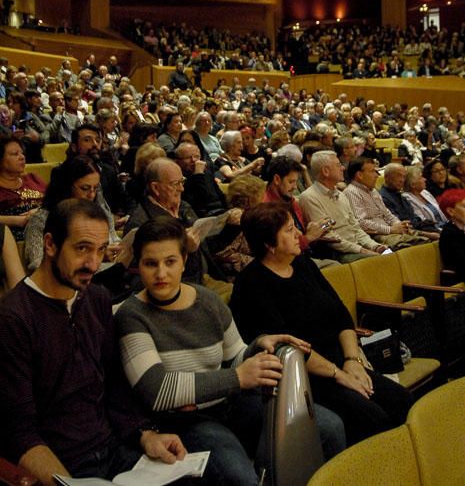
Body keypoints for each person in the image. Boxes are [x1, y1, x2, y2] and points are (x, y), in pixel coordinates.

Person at [115, 217, 335, 483]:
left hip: (230, 403)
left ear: (184, 260)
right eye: (151, 264)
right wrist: (238, 378)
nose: (161, 274)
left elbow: (235, 356)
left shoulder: (207, 300)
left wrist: (258, 345)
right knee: (240, 477)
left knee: (328, 428)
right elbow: (159, 390)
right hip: (184, 421)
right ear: (138, 266)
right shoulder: (132, 315)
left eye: (170, 262)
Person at [0, 199, 186, 486]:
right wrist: (64, 482)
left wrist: (145, 434)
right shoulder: (14, 318)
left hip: (114, 447)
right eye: (82, 248)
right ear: (50, 245)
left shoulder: (95, 298)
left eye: (100, 251)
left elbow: (113, 382)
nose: (93, 264)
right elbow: (18, 429)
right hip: (63, 464)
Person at [230, 201, 413, 446]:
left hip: (342, 361)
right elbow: (290, 348)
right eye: (288, 230)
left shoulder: (303, 264)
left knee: (403, 401)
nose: (298, 234)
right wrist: (339, 374)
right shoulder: (251, 285)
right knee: (373, 419)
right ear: (268, 244)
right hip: (304, 376)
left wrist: (352, 361)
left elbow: (340, 314)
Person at [24, 155, 126, 273]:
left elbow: (113, 239)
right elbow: (37, 265)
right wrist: (100, 257)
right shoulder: (41, 220)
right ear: (66, 187)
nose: (91, 195)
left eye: (95, 188)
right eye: (85, 188)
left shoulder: (99, 212)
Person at [299, 151, 385, 263]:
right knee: (381, 262)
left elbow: (355, 228)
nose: (343, 168)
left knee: (390, 253)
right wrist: (363, 250)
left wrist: (375, 246)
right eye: (338, 165)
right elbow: (330, 239)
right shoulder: (309, 198)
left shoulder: (341, 194)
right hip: (338, 254)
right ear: (326, 171)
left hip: (356, 247)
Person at [0, 136, 46, 241]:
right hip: (15, 234)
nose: (22, 157)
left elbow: (54, 203)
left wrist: (39, 212)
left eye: (22, 153)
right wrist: (20, 220)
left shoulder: (33, 178)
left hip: (45, 224)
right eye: (15, 154)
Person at [401, 166, 448, 232]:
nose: (425, 179)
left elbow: (441, 211)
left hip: (444, 225)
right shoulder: (407, 199)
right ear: (412, 184)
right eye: (421, 177)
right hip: (433, 230)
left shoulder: (425, 192)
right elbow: (422, 221)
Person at [438, 188, 465, 280]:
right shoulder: (449, 233)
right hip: (457, 280)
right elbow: (461, 263)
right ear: (451, 211)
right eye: (464, 206)